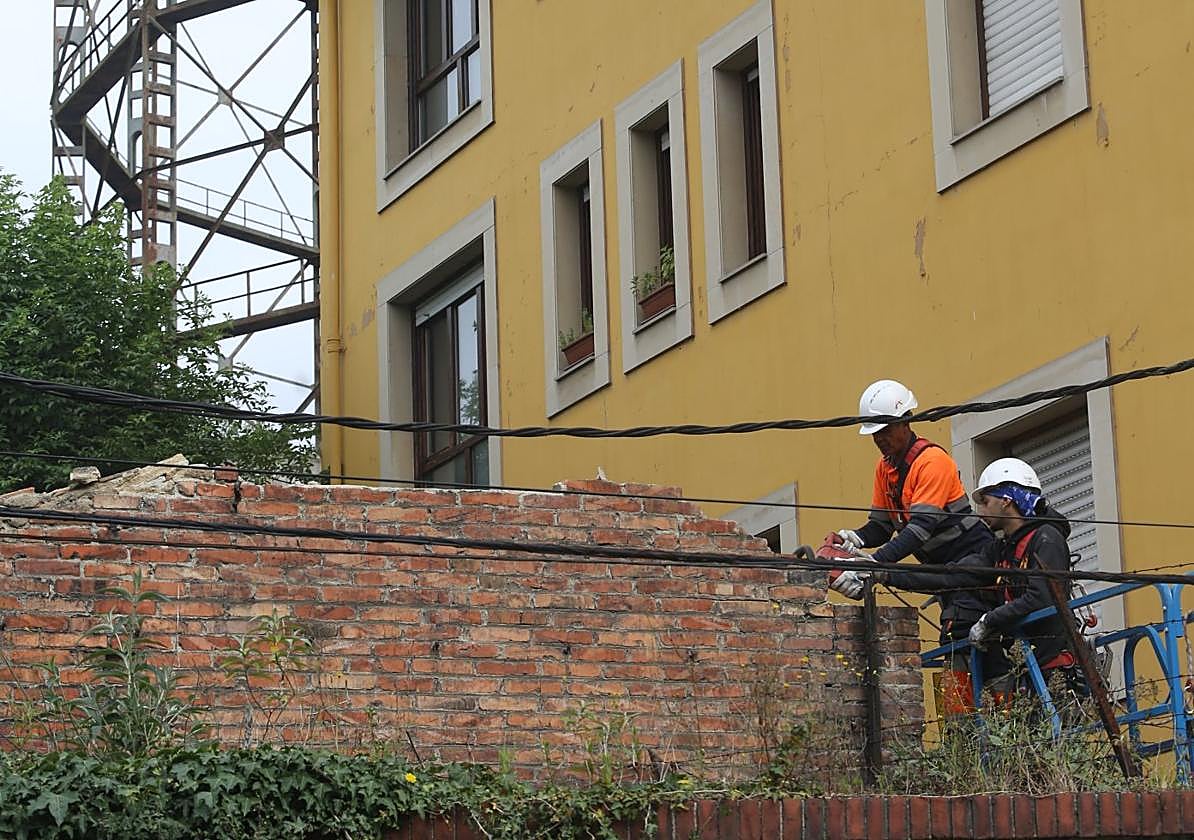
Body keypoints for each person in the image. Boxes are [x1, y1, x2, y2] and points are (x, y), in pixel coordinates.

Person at [826, 379, 998, 711]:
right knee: (957, 641)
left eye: (885, 430)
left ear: (906, 421)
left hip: (972, 562)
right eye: (874, 433)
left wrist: (874, 566)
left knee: (962, 637)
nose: (879, 439)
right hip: (945, 570)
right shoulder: (886, 469)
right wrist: (856, 540)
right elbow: (882, 525)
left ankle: (975, 725)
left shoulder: (932, 462)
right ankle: (965, 726)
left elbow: (919, 530)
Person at [965, 457, 1088, 698]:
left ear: (1006, 501)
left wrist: (990, 620)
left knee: (1054, 732)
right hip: (1030, 670)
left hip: (1055, 667)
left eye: (986, 501)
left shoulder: (1047, 538)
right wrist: (888, 572)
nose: (980, 511)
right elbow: (958, 573)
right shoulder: (1002, 548)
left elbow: (1042, 597)